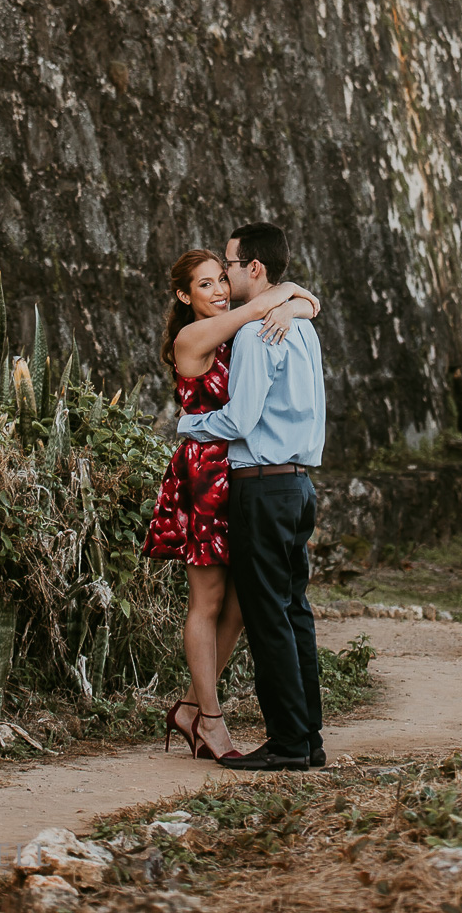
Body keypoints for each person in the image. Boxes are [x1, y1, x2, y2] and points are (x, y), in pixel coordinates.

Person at [143, 247, 319, 763]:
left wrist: (290, 303)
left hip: (244, 470)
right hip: (208, 474)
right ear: (183, 295)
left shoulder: (243, 330)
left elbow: (291, 306)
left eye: (222, 278)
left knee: (245, 605)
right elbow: (258, 308)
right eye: (205, 285)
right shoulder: (191, 338)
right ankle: (209, 719)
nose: (220, 291)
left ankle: (191, 707)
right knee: (210, 601)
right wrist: (286, 298)